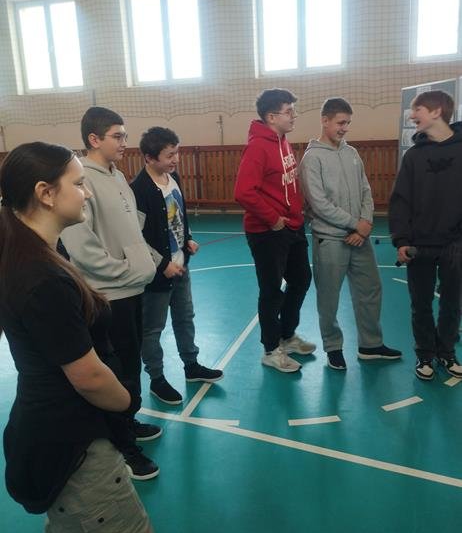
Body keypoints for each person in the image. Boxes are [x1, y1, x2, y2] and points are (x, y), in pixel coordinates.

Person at [0, 142, 154, 533]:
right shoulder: (41, 276)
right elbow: (88, 376)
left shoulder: (32, 254)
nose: (86, 194)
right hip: (73, 439)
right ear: (46, 193)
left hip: (58, 426)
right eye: (79, 184)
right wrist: (127, 402)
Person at [60, 107, 161, 479]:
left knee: (130, 365)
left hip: (131, 289)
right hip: (107, 296)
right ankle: (122, 447)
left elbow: (132, 231)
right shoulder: (81, 181)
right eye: (117, 136)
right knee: (115, 372)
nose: (124, 142)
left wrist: (145, 263)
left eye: (124, 135)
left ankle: (127, 423)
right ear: (94, 139)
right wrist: (129, 270)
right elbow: (83, 250)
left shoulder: (117, 175)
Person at [299, 97, 401, 370]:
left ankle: (371, 345)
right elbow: (319, 204)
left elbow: (366, 190)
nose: (345, 128)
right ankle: (333, 347)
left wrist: (365, 223)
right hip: (330, 240)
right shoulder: (312, 159)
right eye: (340, 123)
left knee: (370, 289)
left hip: (360, 238)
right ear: (325, 121)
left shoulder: (352, 153)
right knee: (329, 298)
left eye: (348, 123)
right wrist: (355, 224)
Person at [130, 127, 223, 405]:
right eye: (169, 155)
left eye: (177, 152)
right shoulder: (139, 190)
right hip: (157, 276)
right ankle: (157, 379)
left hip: (181, 267)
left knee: (185, 318)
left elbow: (179, 218)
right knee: (152, 329)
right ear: (149, 158)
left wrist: (188, 239)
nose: (176, 159)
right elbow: (136, 238)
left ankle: (191, 366)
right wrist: (162, 265)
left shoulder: (174, 179)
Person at [234, 88, 314, 373]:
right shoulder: (258, 147)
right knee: (271, 291)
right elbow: (243, 192)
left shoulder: (283, 141)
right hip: (267, 231)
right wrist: (272, 218)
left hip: (292, 226)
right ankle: (271, 349)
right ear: (271, 116)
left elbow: (287, 183)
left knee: (301, 279)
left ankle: (287, 335)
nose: (294, 116)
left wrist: (296, 212)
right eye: (288, 111)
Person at [389, 90, 462, 380]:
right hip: (419, 244)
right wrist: (402, 240)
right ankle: (425, 355)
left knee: (452, 303)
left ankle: (447, 352)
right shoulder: (414, 156)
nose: (411, 115)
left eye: (416, 109)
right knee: (420, 305)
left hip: (455, 244)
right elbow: (400, 201)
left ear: (436, 111)